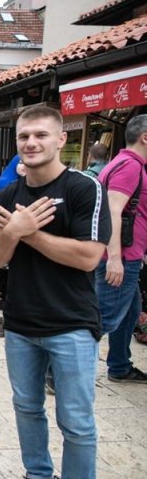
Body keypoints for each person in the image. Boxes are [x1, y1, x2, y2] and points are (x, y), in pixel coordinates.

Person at [0, 106, 111, 479]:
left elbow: (89, 257)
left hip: (71, 323)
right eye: (24, 137)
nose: (31, 143)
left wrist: (29, 234)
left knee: (75, 421)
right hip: (21, 320)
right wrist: (13, 232)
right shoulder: (8, 194)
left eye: (40, 135)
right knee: (27, 407)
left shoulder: (82, 188)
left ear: (61, 140)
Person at [94, 114, 147, 383]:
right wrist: (115, 258)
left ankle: (119, 365)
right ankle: (55, 371)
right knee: (104, 316)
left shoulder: (123, 162)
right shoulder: (130, 166)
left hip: (127, 256)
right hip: (121, 257)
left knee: (128, 311)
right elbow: (113, 211)